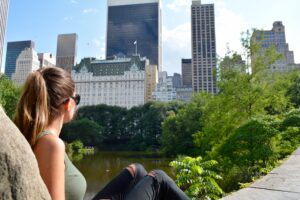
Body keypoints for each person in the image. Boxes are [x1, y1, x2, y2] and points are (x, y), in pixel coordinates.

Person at [14, 67, 189, 200]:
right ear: (68, 104)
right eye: (77, 99)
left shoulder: (40, 138)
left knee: (137, 171)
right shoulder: (51, 144)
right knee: (158, 178)